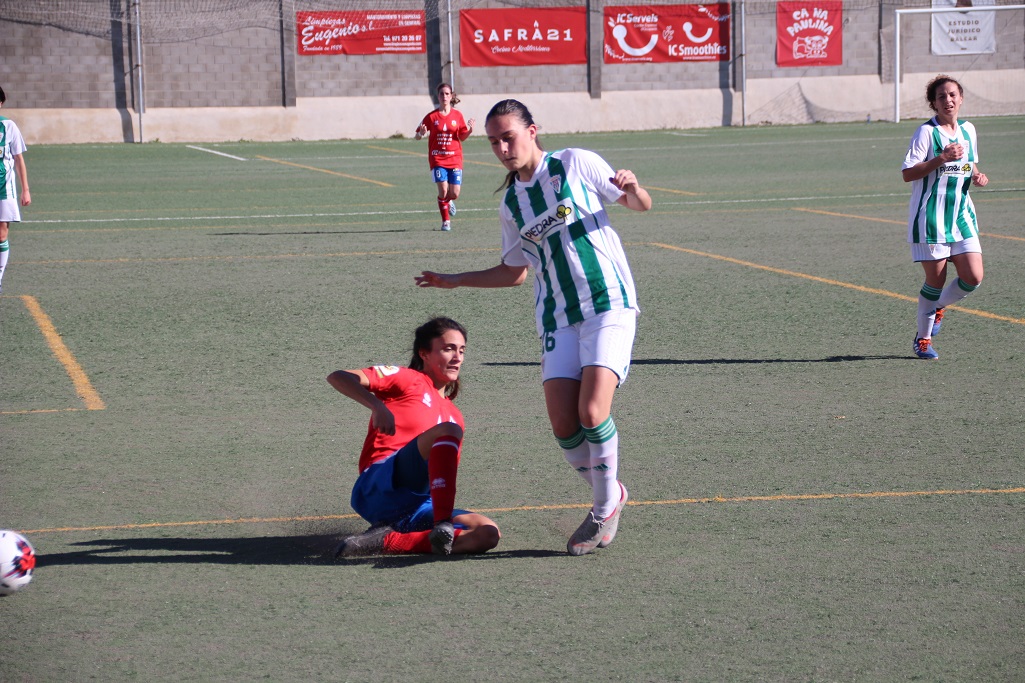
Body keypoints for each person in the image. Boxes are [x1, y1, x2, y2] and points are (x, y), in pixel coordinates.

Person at [415, 99, 651, 556]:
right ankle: (613, 491)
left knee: (592, 412)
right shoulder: (511, 203)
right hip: (556, 316)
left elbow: (638, 204)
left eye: (509, 137)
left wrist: (634, 187)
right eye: (494, 142)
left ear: (532, 131)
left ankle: (603, 509)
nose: (503, 149)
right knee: (564, 426)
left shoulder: (574, 163)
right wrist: (456, 280)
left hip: (607, 302)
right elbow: (515, 272)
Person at [328, 317, 500, 558]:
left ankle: (386, 541)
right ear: (424, 353)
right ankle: (442, 523)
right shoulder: (408, 379)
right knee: (449, 430)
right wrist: (376, 405)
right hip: (380, 486)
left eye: (462, 350)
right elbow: (339, 376)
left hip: (417, 507)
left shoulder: (455, 415)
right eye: (448, 349)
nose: (457, 357)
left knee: (487, 533)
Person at [902, 75, 988, 361]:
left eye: (952, 95)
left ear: (961, 98)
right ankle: (923, 339)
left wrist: (976, 175)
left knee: (973, 277)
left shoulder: (969, 130)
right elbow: (908, 173)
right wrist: (941, 158)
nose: (948, 100)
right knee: (936, 281)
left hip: (961, 215)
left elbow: (969, 163)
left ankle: (938, 307)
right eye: (941, 97)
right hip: (931, 218)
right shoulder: (926, 133)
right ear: (934, 103)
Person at [414, 83, 474, 232]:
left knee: (454, 193)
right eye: (442, 94)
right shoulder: (431, 116)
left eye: (447, 94)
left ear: (451, 96)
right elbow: (417, 136)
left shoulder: (457, 115)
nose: (444, 96)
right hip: (438, 159)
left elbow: (462, 136)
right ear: (438, 96)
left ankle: (448, 202)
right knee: (443, 190)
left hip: (454, 158)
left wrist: (470, 130)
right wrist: (421, 133)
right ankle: (446, 221)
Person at [0, 86, 32, 294]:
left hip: (4, 188)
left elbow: (19, 159)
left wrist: (25, 190)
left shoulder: (8, 126)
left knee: (1, 234)